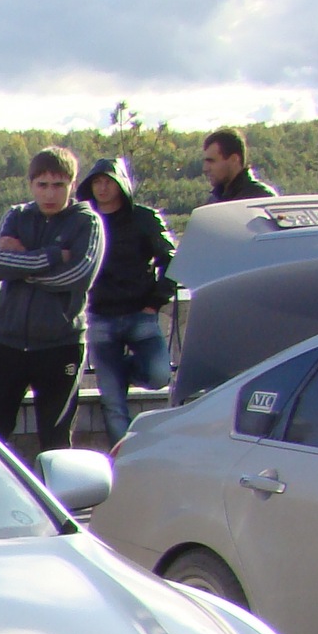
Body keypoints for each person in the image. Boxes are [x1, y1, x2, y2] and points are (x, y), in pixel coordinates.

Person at [0, 147, 105, 452]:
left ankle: (58, 498)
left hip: (58, 345)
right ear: (31, 184)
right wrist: (51, 256)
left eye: (59, 185)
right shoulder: (16, 216)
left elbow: (77, 276)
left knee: (56, 439)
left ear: (73, 185)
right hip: (5, 342)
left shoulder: (87, 223)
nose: (50, 193)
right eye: (42, 185)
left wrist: (21, 267)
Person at [77, 157, 176, 442]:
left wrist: (156, 300)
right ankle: (121, 465)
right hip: (98, 317)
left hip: (139, 315)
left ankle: (121, 372)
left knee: (159, 375)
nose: (103, 188)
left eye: (108, 181)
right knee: (113, 403)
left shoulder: (144, 218)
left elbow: (170, 258)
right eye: (97, 182)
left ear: (121, 184)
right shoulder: (85, 220)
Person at [201, 128, 278, 204]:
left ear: (234, 159)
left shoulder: (261, 198)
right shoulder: (213, 201)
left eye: (211, 161)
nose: (205, 168)